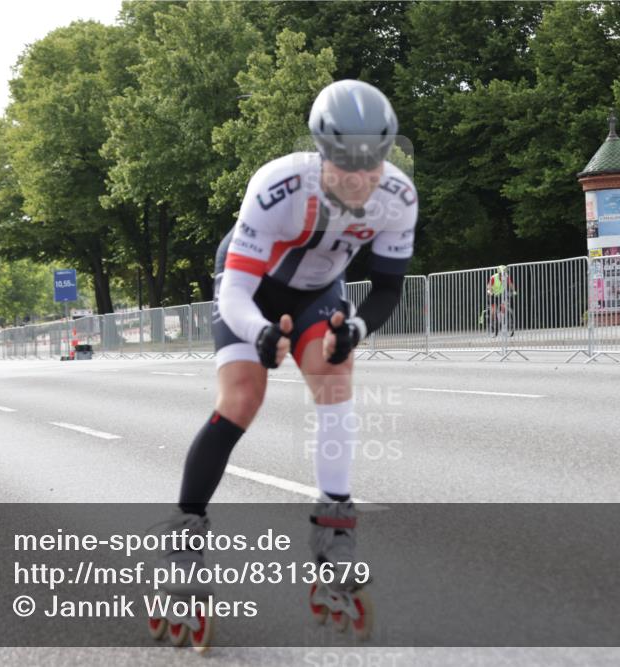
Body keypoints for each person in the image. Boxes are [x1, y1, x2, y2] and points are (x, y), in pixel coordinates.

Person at [150, 80, 417, 647]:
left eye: (372, 164)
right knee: (242, 397)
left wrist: (357, 329)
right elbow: (234, 295)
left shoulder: (399, 195)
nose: (360, 178)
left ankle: (335, 534)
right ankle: (183, 538)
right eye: (346, 165)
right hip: (251, 289)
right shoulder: (277, 187)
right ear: (322, 154)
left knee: (335, 377)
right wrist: (262, 333)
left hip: (317, 292)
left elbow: (389, 288)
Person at [486, 265, 517, 336]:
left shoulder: (506, 277)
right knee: (493, 311)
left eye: (505, 273)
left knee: (504, 308)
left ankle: (504, 323)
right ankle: (492, 324)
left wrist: (514, 291)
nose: (504, 274)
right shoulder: (493, 277)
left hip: (501, 295)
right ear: (499, 273)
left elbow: (510, 284)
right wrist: (489, 291)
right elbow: (488, 286)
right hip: (493, 295)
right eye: (503, 273)